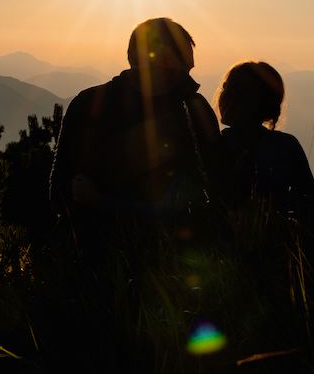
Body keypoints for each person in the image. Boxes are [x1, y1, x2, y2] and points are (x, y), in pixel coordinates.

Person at [50, 18, 231, 244]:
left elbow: (59, 198)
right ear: (164, 57)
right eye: (185, 69)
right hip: (168, 261)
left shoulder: (87, 103)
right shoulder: (192, 110)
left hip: (86, 254)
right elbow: (219, 192)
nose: (193, 82)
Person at [216, 60, 314, 239]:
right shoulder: (287, 146)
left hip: (223, 249)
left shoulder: (216, 145)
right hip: (278, 247)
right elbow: (312, 209)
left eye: (224, 88)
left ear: (232, 99)